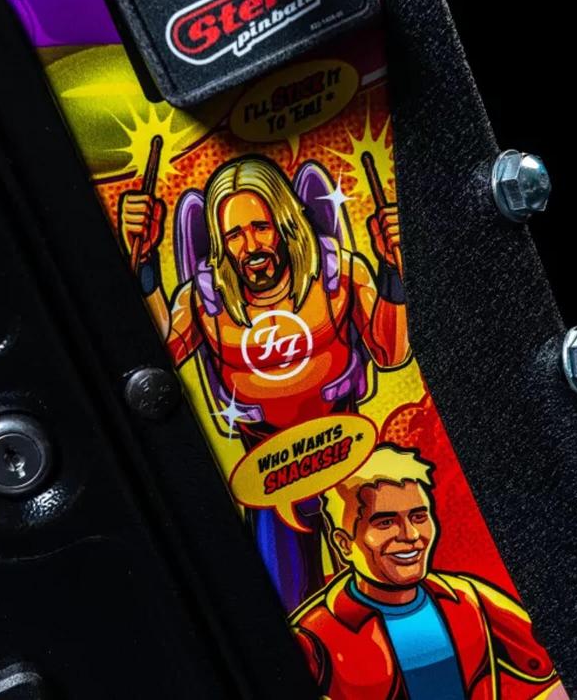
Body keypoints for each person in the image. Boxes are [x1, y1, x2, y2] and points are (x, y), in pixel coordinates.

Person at [119, 155, 410, 609]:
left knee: (393, 586)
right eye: (234, 235)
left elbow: (391, 353)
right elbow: (160, 357)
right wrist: (143, 267)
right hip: (269, 473)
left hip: (350, 457)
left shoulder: (338, 272)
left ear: (286, 222)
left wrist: (394, 270)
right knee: (291, 605)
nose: (250, 245)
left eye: (260, 227)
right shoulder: (205, 298)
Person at [290, 446, 566, 700]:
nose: (411, 535)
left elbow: (556, 663)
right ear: (344, 544)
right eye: (385, 522)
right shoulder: (314, 636)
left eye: (419, 517)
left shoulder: (466, 596)